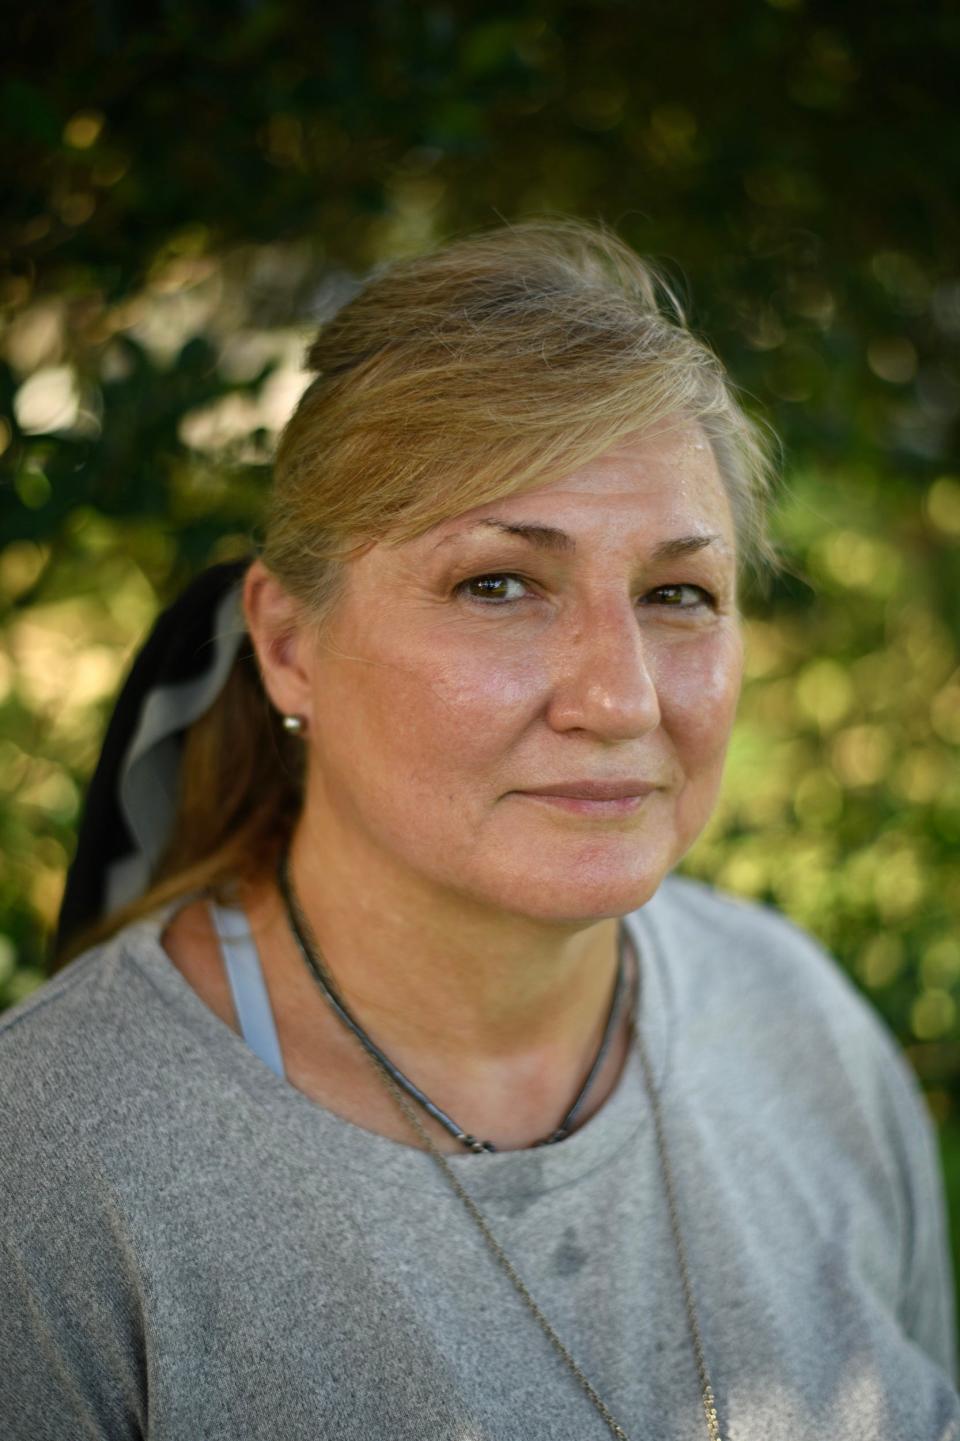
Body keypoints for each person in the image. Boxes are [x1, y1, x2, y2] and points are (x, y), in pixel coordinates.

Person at [1, 220, 957, 1441]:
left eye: (678, 594)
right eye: (498, 584)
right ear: (291, 644)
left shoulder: (802, 1028)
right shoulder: (54, 1172)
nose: (618, 699)